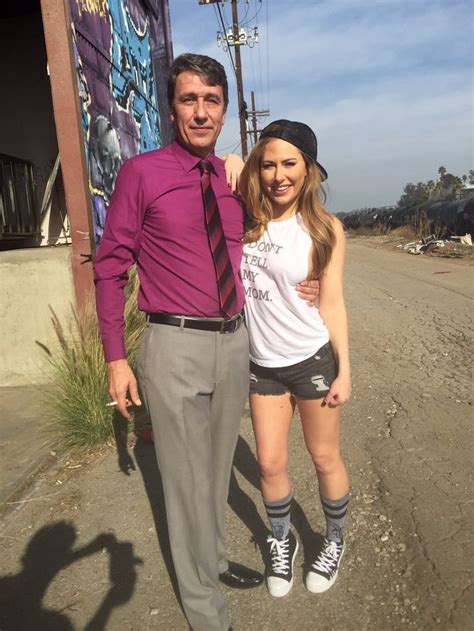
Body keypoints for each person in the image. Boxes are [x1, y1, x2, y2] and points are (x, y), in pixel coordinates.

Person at [94, 55, 317, 631]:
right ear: (172, 106)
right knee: (184, 480)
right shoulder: (142, 173)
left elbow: (281, 233)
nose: (200, 110)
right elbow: (111, 265)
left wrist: (311, 278)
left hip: (233, 343)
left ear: (222, 110)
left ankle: (212, 560)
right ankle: (204, 608)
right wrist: (116, 357)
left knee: (217, 469)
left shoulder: (234, 179)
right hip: (174, 344)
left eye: (211, 100)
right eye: (189, 98)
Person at [239, 120, 351, 598]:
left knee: (324, 457)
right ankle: (281, 540)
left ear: (309, 170)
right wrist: (234, 163)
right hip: (261, 364)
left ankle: (334, 541)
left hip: (311, 360)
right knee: (268, 463)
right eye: (269, 164)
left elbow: (332, 302)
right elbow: (224, 166)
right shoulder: (243, 216)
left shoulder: (325, 229)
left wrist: (345, 368)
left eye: (290, 163)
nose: (278, 175)